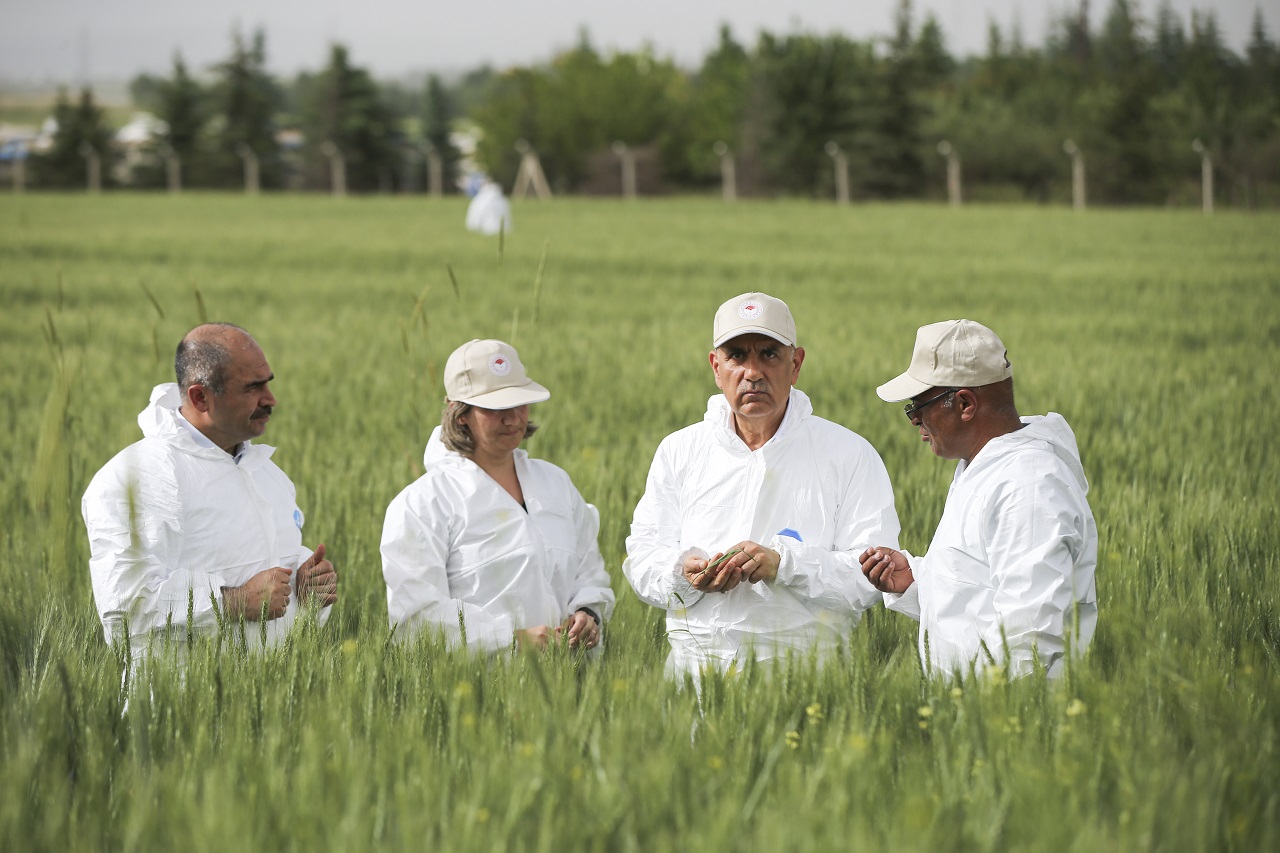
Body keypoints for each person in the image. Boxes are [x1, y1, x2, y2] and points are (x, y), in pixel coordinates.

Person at [623, 292, 900, 678]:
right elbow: (642, 557)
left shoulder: (849, 454)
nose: (753, 371)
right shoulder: (679, 451)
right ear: (716, 368)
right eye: (737, 355)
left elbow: (872, 578)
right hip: (693, 679)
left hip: (808, 681)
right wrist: (680, 573)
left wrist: (784, 565)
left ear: (796, 363)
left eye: (769, 354)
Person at [82, 323, 338, 660]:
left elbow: (269, 593)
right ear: (200, 397)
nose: (271, 400)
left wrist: (304, 590)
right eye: (253, 388)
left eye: (268, 383)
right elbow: (124, 612)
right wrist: (236, 602)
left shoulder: (267, 474)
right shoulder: (136, 478)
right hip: (176, 707)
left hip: (273, 699)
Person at [859, 319, 1097, 678]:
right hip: (969, 718)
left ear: (966, 404)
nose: (914, 420)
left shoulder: (1028, 488)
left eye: (918, 406)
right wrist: (916, 580)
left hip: (1002, 722)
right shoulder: (984, 465)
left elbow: (1031, 643)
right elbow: (981, 588)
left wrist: (1000, 727)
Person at [381, 339, 614, 652]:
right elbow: (416, 619)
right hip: (476, 692)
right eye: (495, 409)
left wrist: (588, 614)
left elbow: (589, 571)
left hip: (567, 688)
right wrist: (512, 641)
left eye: (520, 403)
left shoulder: (556, 483)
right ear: (459, 412)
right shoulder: (423, 504)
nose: (513, 419)